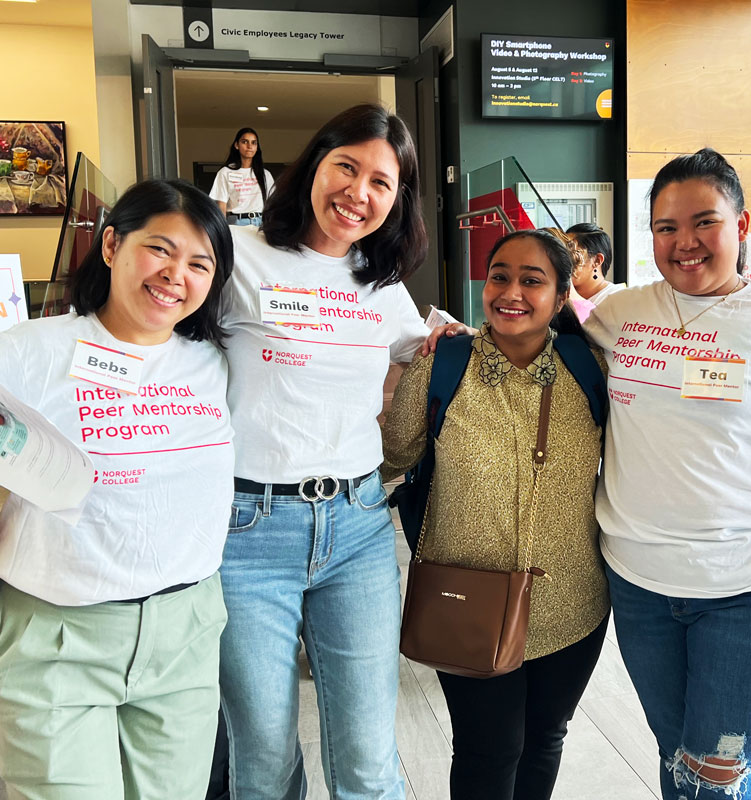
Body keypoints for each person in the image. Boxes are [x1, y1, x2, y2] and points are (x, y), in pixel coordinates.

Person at [218, 104, 434, 800]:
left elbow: (429, 347)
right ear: (315, 163)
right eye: (348, 166)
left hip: (358, 525)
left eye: (382, 181)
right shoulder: (236, 257)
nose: (359, 192)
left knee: (371, 762)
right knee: (263, 759)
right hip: (246, 529)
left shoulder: (383, 286)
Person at [0, 179, 235, 800]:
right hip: (56, 635)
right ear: (110, 245)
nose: (174, 275)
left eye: (198, 263)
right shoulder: (27, 353)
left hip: (184, 633)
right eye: (159, 250)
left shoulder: (214, 362)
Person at [583, 148, 751, 800]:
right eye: (666, 228)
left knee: (719, 784)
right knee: (680, 764)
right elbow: (533, 326)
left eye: (704, 222)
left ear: (742, 225)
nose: (685, 243)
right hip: (640, 587)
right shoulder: (623, 314)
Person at [382, 228, 610, 800]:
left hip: (572, 602)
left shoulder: (591, 369)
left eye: (533, 280)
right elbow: (396, 455)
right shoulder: (444, 363)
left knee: (544, 740)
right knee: (488, 751)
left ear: (561, 297)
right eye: (500, 276)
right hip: (464, 600)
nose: (511, 291)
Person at [210, 127, 274, 227]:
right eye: (245, 142)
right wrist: (222, 228)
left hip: (261, 222)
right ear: (236, 145)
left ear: (257, 147)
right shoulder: (225, 172)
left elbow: (272, 203)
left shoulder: (265, 174)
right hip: (236, 222)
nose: (249, 146)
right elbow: (221, 204)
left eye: (254, 143)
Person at [566, 222, 624, 304]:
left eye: (572, 254)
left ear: (597, 260)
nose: (563, 260)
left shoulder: (617, 300)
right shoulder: (560, 296)